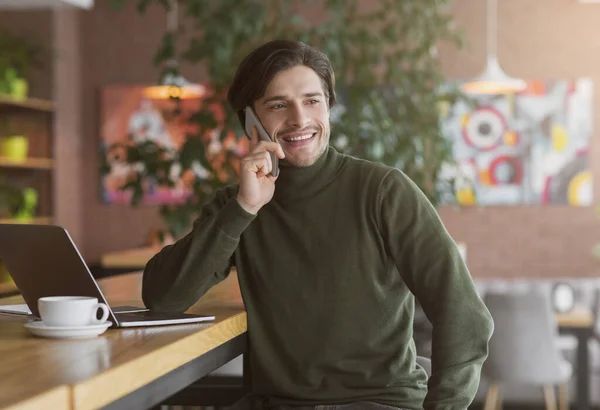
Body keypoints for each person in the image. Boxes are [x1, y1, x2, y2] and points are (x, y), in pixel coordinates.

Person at [142, 40, 494, 410]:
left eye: (312, 101)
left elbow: (464, 314)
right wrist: (244, 207)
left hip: (379, 403)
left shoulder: (383, 191)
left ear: (328, 107)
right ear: (251, 121)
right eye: (278, 105)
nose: (299, 119)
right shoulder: (236, 206)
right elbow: (164, 297)